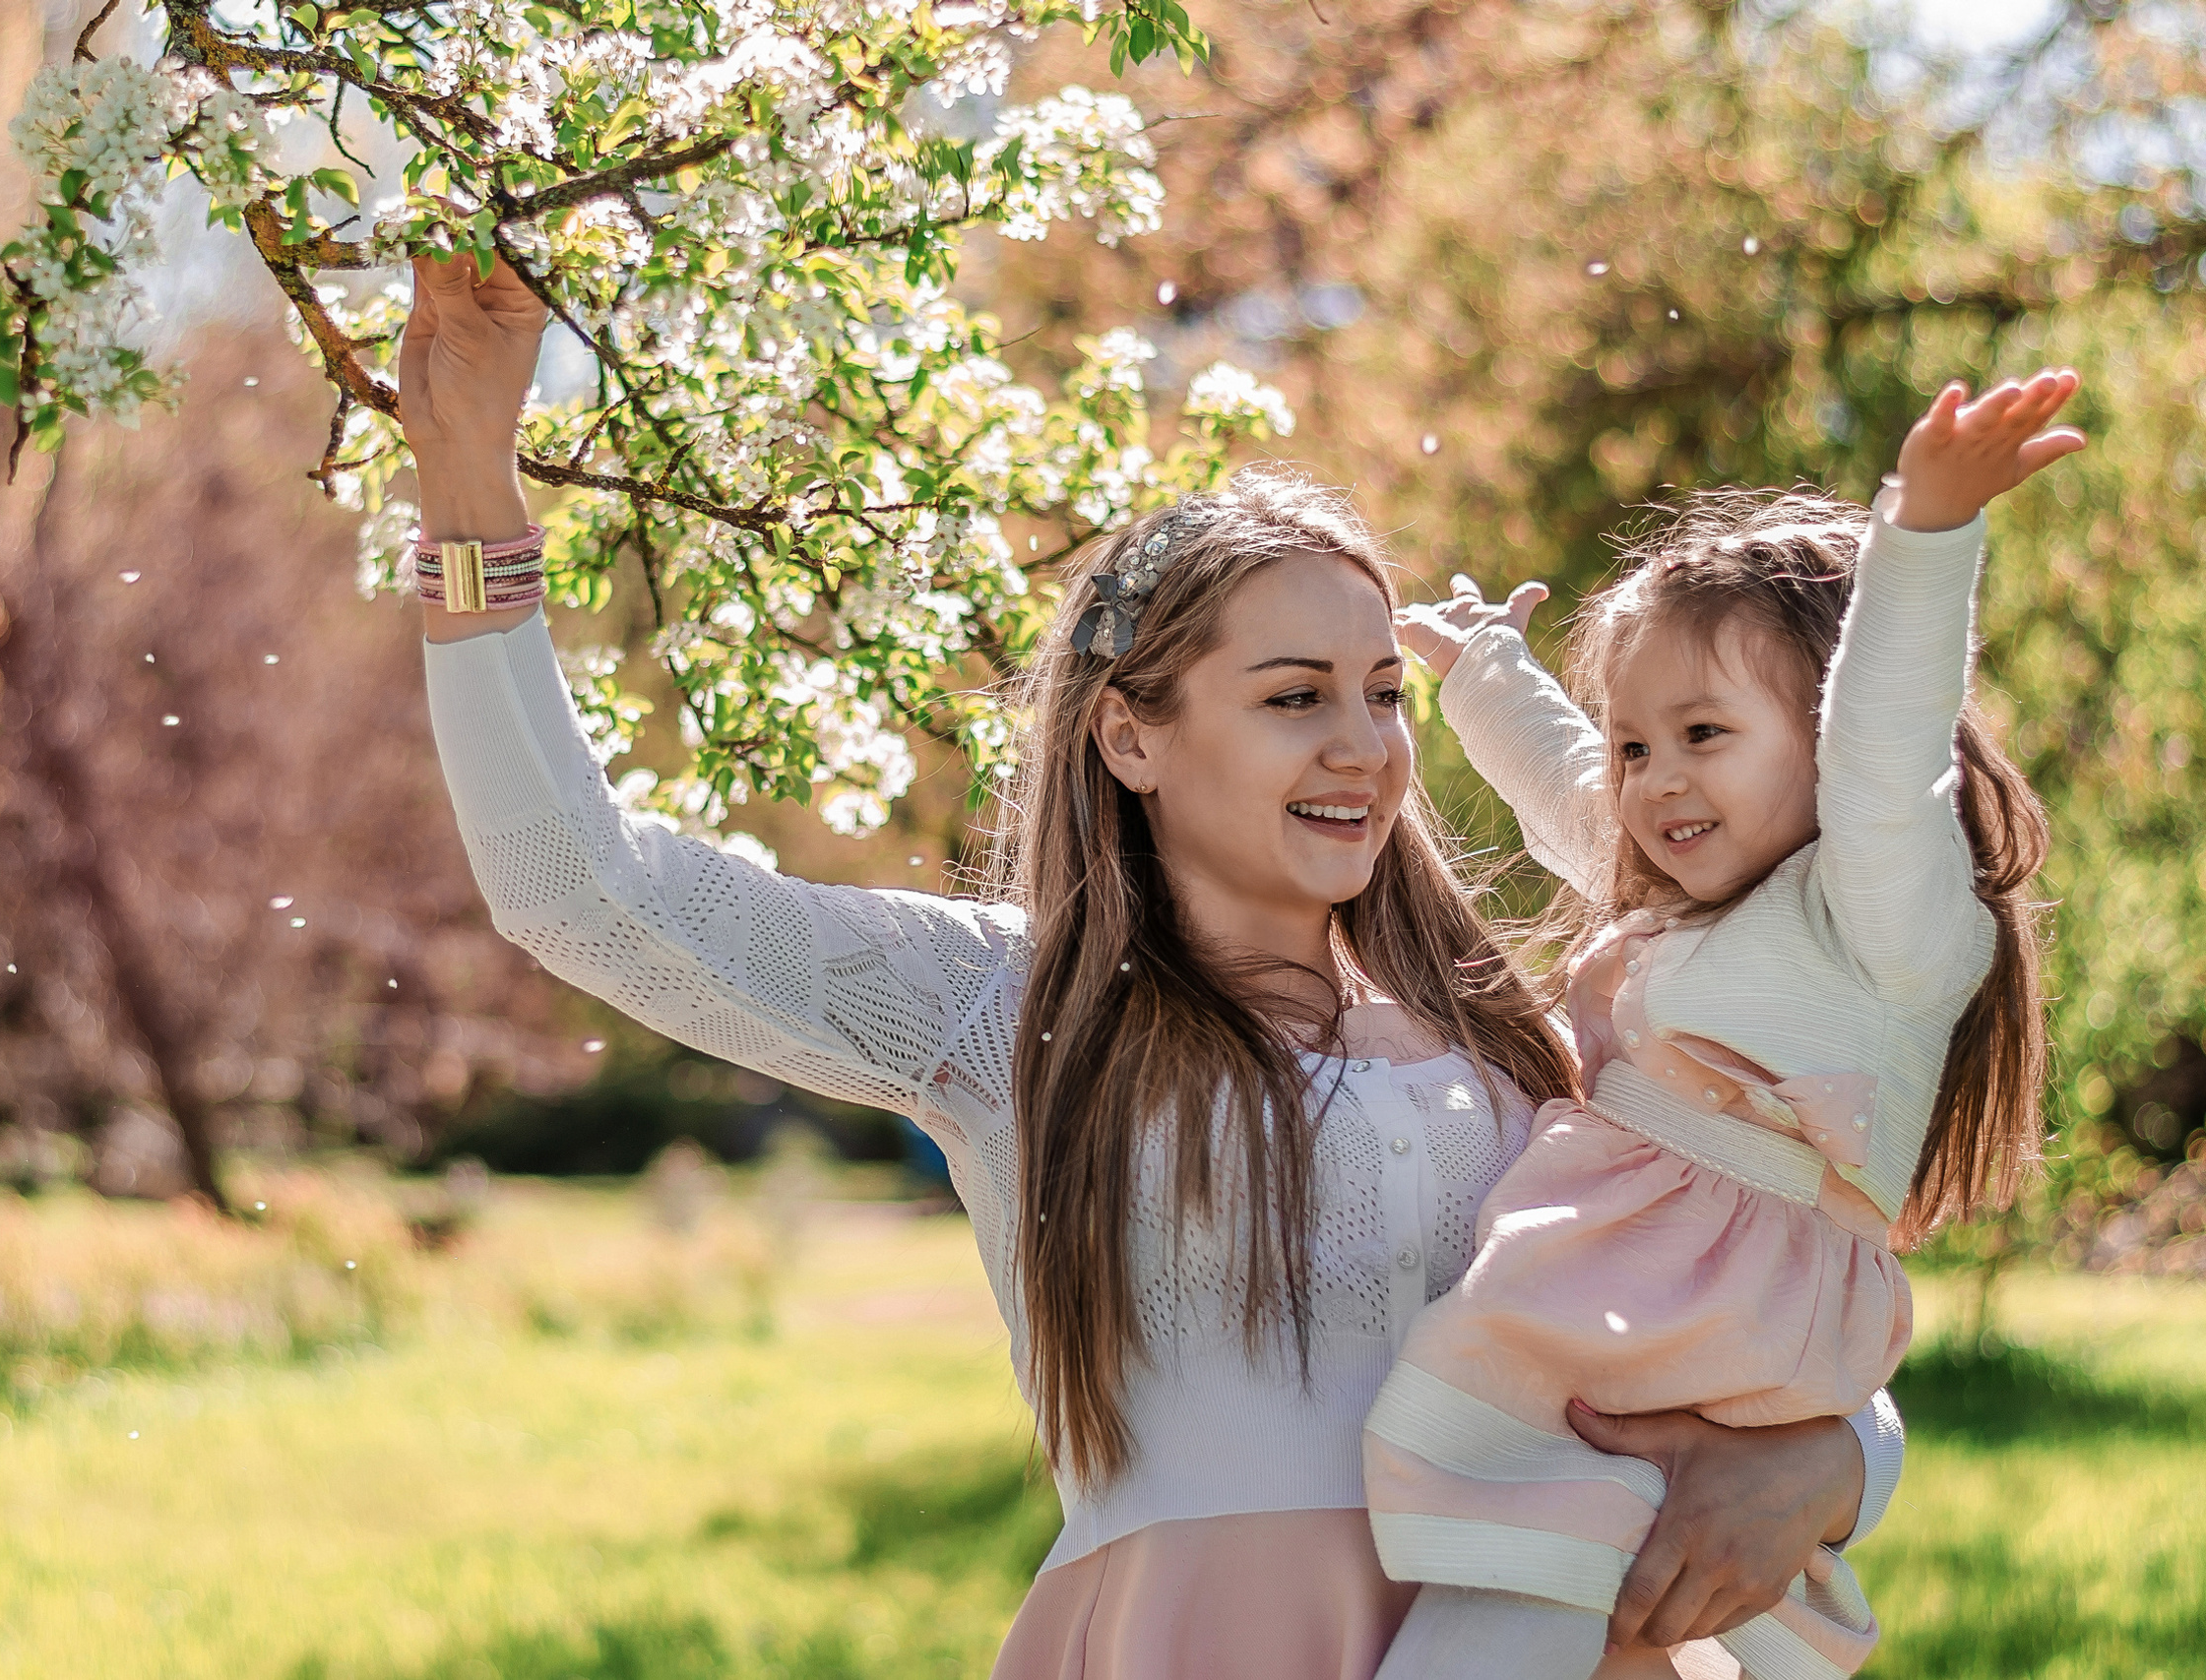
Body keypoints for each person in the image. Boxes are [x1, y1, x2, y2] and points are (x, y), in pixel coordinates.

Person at [400, 251, 1905, 1678]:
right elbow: (574, 893)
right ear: (1132, 734)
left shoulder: (1528, 1039)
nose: (1363, 749)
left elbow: (1781, 1285)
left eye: (1384, 695)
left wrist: (1837, 1465)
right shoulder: (1008, 1011)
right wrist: (470, 491)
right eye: (1293, 696)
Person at [1368, 374, 2080, 1680]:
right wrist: (1482, 671)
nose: (1658, 779)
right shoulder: (1696, 897)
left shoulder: (1887, 917)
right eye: (1643, 744)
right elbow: (1577, 792)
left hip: (1697, 1318)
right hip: (1637, 1310)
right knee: (1549, 1620)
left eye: (1706, 732)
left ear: (1821, 734)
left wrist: (1922, 536)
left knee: (1513, 1615)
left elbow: (1886, 740)